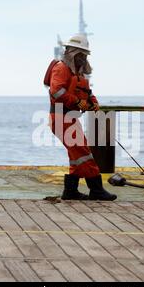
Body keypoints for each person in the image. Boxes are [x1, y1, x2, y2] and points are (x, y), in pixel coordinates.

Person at [47, 34, 117, 201]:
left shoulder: (77, 73)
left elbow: (87, 92)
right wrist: (78, 102)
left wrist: (93, 103)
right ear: (72, 53)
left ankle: (70, 191)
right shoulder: (61, 68)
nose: (83, 58)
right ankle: (96, 190)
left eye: (85, 55)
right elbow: (56, 91)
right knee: (84, 154)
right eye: (81, 55)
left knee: (77, 156)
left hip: (70, 118)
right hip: (60, 117)